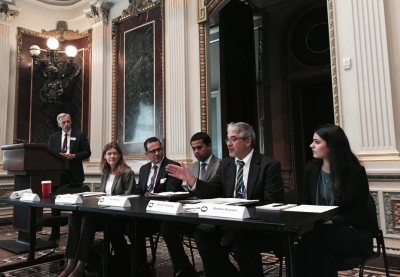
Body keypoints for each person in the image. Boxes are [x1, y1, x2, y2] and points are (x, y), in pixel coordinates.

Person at [166, 122, 284, 277]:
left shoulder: (268, 165)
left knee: (241, 245)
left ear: (247, 141)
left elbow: (270, 204)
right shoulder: (227, 164)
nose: (228, 143)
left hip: (255, 226)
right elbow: (213, 190)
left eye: (233, 139)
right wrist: (191, 180)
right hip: (228, 221)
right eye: (227, 139)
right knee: (202, 236)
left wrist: (236, 229)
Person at [295, 124, 373, 276]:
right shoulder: (311, 169)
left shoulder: (355, 172)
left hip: (350, 231)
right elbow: (306, 203)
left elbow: (360, 214)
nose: (311, 145)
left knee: (311, 242)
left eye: (317, 142)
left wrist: (333, 221)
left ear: (332, 145)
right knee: (322, 250)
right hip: (319, 232)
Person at [58, 142, 135, 277]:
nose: (112, 156)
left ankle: (81, 266)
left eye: (115, 153)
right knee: (74, 218)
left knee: (88, 220)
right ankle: (70, 264)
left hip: (117, 216)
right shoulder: (105, 173)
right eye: (109, 153)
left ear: (119, 156)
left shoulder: (127, 173)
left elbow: (129, 199)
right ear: (104, 156)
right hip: (104, 212)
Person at [111, 137, 183, 275]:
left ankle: (141, 266)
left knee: (132, 226)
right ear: (146, 154)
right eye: (153, 151)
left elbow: (171, 193)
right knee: (112, 223)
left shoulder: (172, 167)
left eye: (159, 149)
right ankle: (125, 259)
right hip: (141, 212)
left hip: (159, 215)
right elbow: (139, 192)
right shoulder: (144, 169)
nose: (157, 153)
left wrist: (147, 201)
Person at [161, 132, 221, 276]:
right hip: (193, 214)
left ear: (209, 146)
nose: (196, 152)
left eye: (199, 147)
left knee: (201, 234)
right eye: (193, 148)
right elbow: (189, 193)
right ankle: (184, 269)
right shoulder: (192, 168)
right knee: (167, 225)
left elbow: (216, 191)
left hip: (212, 215)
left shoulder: (221, 165)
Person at [48, 113, 91, 185]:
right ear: (59, 125)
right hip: (58, 174)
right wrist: (58, 156)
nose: (66, 124)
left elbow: (87, 152)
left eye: (68, 121)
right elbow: (49, 153)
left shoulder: (80, 135)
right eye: (63, 122)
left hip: (75, 173)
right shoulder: (53, 137)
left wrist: (74, 156)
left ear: (71, 122)